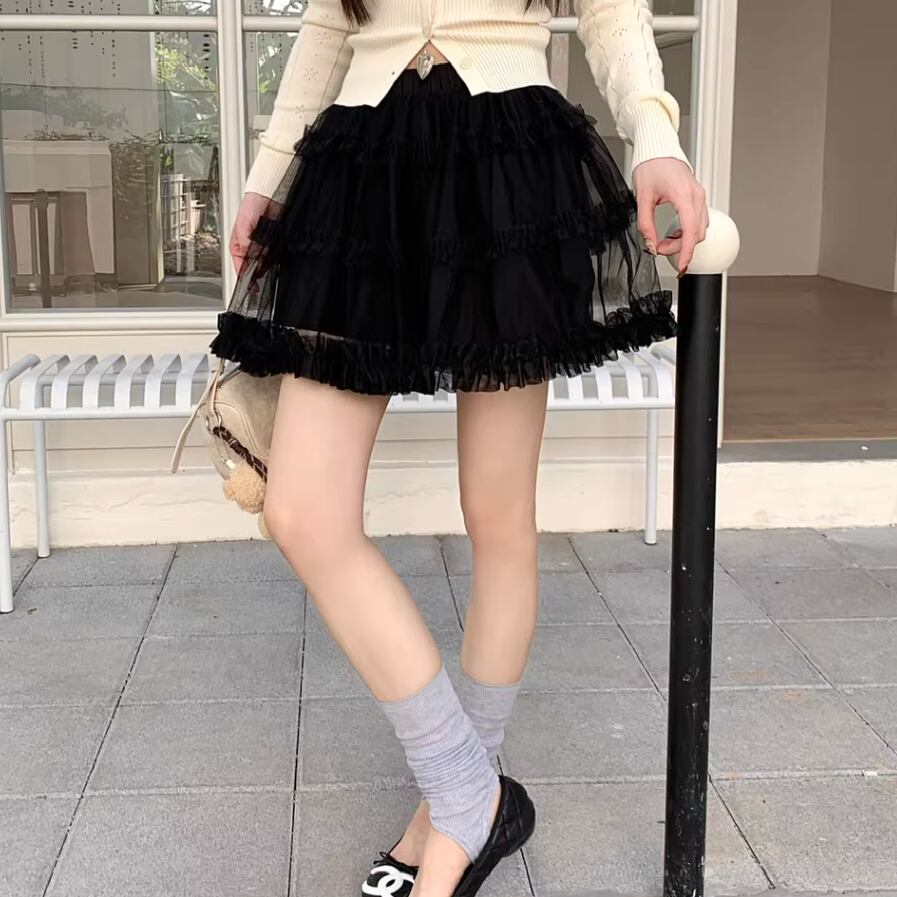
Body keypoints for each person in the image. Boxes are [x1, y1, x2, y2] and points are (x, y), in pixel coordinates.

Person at [210, 1, 708, 894]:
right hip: (361, 171)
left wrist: (652, 134)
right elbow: (327, 23)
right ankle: (470, 793)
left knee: (497, 513)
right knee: (302, 512)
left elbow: (610, 9)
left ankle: (450, 816)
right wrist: (267, 175)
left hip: (507, 167)